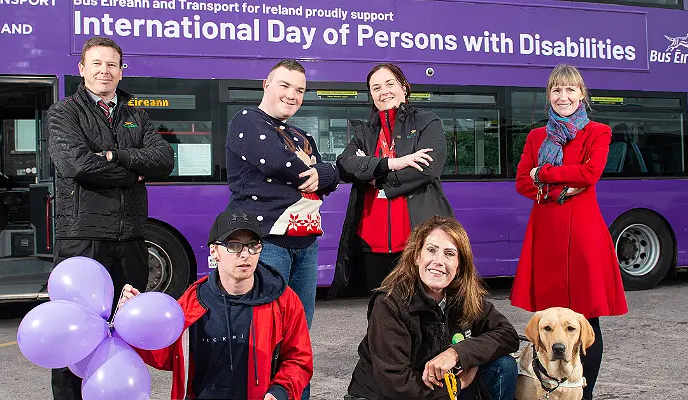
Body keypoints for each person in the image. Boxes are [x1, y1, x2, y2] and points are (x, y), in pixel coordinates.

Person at [46, 36, 175, 400]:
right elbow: (75, 164)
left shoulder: (136, 114)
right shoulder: (64, 112)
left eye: (112, 64)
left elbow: (164, 160)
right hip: (82, 237)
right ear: (82, 69)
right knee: (74, 332)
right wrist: (133, 171)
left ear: (121, 71)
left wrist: (113, 156)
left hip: (131, 236)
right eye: (97, 63)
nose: (105, 70)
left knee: (125, 328)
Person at [510, 64, 629, 400]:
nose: (563, 97)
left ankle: (582, 394)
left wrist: (542, 173)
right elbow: (522, 182)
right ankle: (545, 391)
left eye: (570, 90)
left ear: (582, 95)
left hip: (583, 238)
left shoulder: (598, 132)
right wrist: (563, 185)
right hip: (546, 237)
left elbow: (590, 174)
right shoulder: (536, 136)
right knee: (548, 324)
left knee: (586, 321)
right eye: (556, 90)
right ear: (549, 96)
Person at [123, 209, 313, 400]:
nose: (245, 254)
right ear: (214, 251)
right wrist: (138, 323)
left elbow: (299, 359)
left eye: (252, 245)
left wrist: (280, 391)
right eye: (233, 245)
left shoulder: (283, 299)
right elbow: (165, 355)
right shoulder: (192, 303)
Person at [345, 216, 520, 400]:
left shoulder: (464, 297)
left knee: (504, 366)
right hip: (391, 395)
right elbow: (397, 386)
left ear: (459, 265)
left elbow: (508, 335)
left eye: (449, 254)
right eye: (431, 250)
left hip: (441, 388)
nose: (439, 261)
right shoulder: (388, 304)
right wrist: (458, 386)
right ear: (417, 256)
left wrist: (457, 353)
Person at [225, 59, 340, 331]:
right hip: (267, 242)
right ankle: (264, 376)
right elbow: (279, 162)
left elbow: (331, 176)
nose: (292, 95)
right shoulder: (247, 120)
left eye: (299, 90)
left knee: (300, 327)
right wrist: (320, 171)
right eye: (285, 85)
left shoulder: (302, 135)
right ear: (266, 85)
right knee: (267, 327)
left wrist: (325, 173)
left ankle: (294, 376)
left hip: (307, 243)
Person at [332, 63, 453, 297]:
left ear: (404, 87)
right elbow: (346, 164)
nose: (383, 91)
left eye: (390, 84)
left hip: (417, 239)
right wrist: (390, 164)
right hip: (371, 242)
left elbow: (428, 168)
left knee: (421, 308)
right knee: (380, 310)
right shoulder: (365, 131)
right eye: (375, 88)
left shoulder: (427, 121)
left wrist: (379, 182)